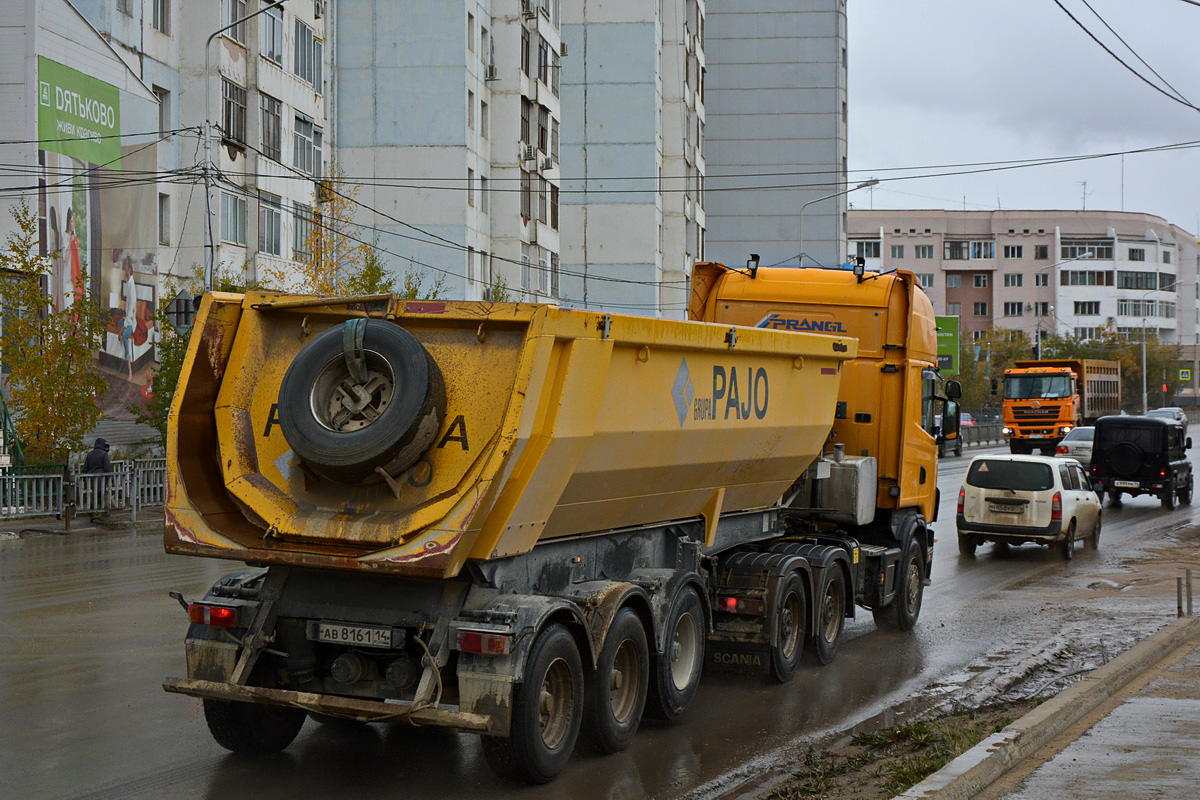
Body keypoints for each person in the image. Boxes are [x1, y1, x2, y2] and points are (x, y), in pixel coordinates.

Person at [120, 256, 137, 380]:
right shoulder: (128, 283)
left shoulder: (132, 286)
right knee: (118, 322)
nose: (124, 271)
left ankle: (130, 370)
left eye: (125, 268)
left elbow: (130, 312)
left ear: (129, 270)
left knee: (125, 336)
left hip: (132, 322)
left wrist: (123, 329)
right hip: (127, 318)